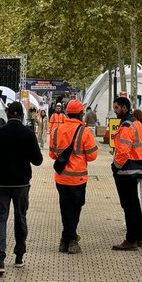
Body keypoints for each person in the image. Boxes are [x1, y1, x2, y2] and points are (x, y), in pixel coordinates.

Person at [0, 101, 43, 275]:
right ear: (22, 116)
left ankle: (0, 259)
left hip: (1, 182)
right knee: (20, 217)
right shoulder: (28, 133)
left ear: (7, 115)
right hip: (22, 183)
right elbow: (38, 160)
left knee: (0, 219)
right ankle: (19, 256)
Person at [49, 98, 98, 253]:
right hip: (78, 178)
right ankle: (71, 240)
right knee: (75, 208)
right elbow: (92, 156)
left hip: (61, 177)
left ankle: (66, 238)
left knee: (65, 208)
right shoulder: (84, 131)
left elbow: (52, 154)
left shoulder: (57, 130)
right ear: (80, 114)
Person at [111, 96, 142, 250]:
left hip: (126, 169)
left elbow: (123, 150)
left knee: (128, 205)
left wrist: (115, 166)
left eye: (117, 108)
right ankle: (139, 237)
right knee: (134, 203)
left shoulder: (126, 125)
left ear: (124, 107)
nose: (115, 111)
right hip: (137, 166)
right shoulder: (137, 122)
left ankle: (131, 239)